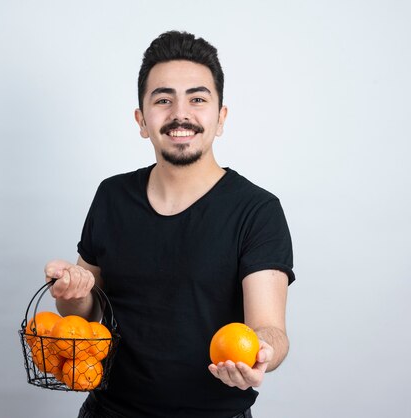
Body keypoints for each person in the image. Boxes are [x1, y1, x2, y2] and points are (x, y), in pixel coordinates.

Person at [44, 30, 295, 418]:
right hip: (109, 412)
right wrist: (72, 292)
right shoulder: (112, 196)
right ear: (142, 120)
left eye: (197, 99)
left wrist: (260, 349)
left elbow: (270, 329)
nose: (181, 114)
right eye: (164, 100)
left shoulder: (256, 210)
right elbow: (83, 316)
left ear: (220, 117)